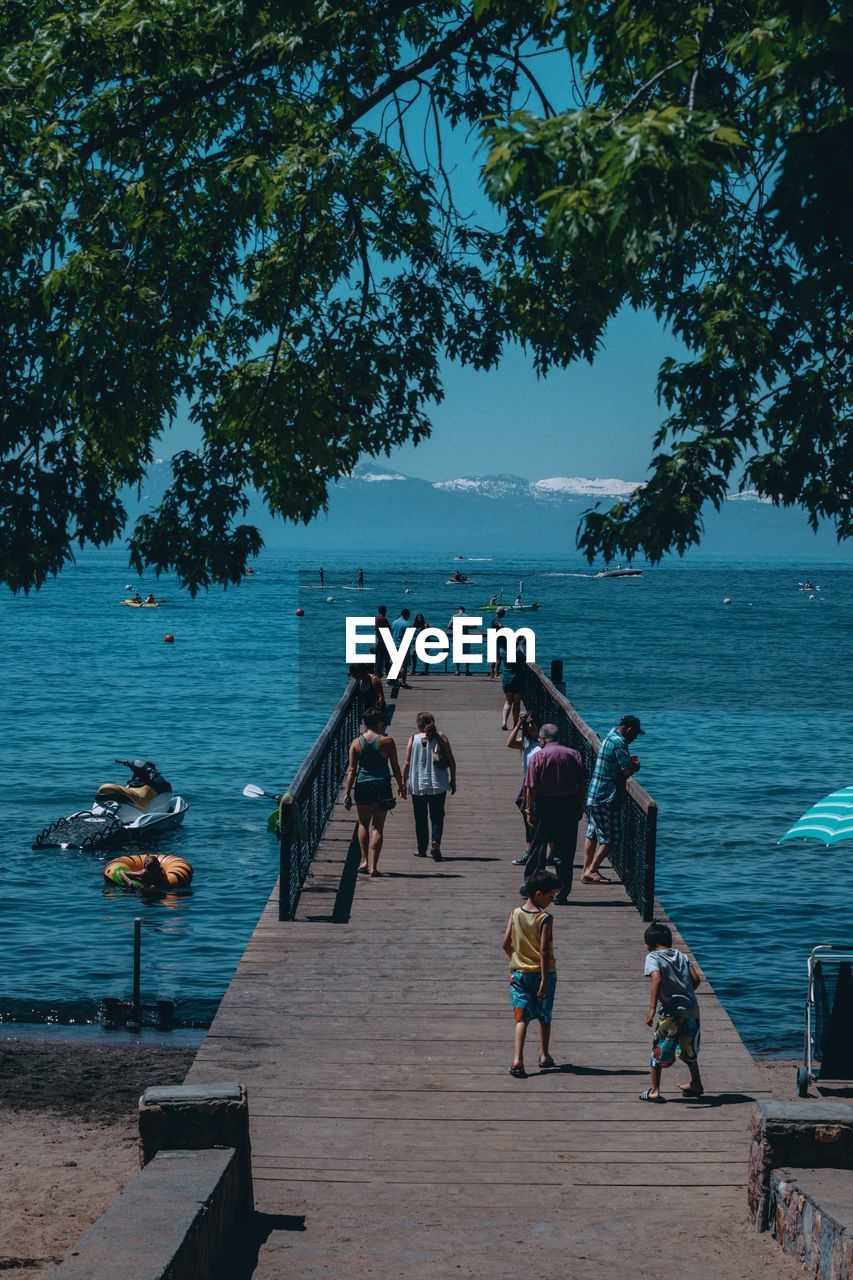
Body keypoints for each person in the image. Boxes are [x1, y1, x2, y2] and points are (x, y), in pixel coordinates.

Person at [502, 870, 561, 1078]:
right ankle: (544, 1054)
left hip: (519, 974)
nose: (552, 901)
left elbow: (505, 943)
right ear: (538, 893)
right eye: (550, 896)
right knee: (544, 1015)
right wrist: (544, 978)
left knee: (521, 1018)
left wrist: (515, 960)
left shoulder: (515, 912)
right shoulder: (544, 918)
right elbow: (544, 951)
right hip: (542, 973)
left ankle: (518, 1060)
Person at [641, 920, 703, 1103]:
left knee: (657, 1052)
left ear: (649, 945)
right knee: (689, 1050)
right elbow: (696, 980)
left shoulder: (653, 957)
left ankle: (654, 1090)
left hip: (670, 1013)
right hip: (691, 1010)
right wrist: (684, 993)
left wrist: (652, 1009)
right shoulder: (682, 955)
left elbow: (657, 979)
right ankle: (696, 1084)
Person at [523, 725, 586, 904]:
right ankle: (562, 892)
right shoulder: (574, 755)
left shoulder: (538, 756)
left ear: (542, 740)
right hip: (568, 806)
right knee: (565, 851)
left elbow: (532, 787)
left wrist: (529, 810)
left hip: (545, 806)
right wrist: (579, 807)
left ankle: (533, 886)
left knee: (538, 848)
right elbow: (582, 785)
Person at [343, 709, 405, 877]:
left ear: (365, 723)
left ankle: (364, 860)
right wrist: (401, 785)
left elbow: (352, 770)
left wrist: (347, 793)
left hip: (362, 785)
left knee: (363, 823)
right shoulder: (387, 741)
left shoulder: (356, 743)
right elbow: (395, 766)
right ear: (379, 723)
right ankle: (374, 867)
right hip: (381, 785)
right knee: (377, 826)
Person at [583, 714, 644, 884]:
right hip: (605, 797)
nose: (635, 738)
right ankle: (592, 870)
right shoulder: (619, 743)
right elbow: (626, 771)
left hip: (594, 793)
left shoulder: (609, 737)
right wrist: (636, 767)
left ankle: (585, 871)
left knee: (593, 833)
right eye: (635, 734)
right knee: (612, 838)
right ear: (629, 729)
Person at [403, 712, 456, 861]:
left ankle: (421, 849)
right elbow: (451, 760)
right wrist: (453, 779)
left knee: (420, 818)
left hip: (418, 785)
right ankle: (435, 843)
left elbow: (406, 763)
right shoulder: (441, 737)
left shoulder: (413, 739)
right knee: (437, 816)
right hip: (438, 784)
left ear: (418, 724)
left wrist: (402, 783)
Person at [507, 712, 541, 866]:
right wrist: (518, 725)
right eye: (528, 724)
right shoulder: (526, 741)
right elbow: (509, 743)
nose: (530, 726)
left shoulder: (544, 743)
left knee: (537, 819)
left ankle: (542, 853)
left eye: (533, 723)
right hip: (527, 783)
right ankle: (529, 852)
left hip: (540, 785)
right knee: (527, 816)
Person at [499, 629, 527, 729]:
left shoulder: (502, 650)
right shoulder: (518, 652)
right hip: (517, 678)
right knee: (516, 703)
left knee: (508, 702)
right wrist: (523, 643)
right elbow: (525, 656)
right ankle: (515, 725)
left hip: (506, 677)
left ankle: (504, 723)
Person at [390, 607, 412, 687]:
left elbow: (392, 633)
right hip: (403, 646)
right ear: (407, 615)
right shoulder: (407, 624)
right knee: (404, 665)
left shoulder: (394, 622)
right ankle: (403, 682)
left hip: (394, 645)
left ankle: (393, 681)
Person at [446, 606, 470, 675]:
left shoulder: (454, 616)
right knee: (467, 654)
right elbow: (473, 626)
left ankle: (457, 670)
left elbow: (449, 626)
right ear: (464, 610)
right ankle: (467, 670)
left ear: (458, 610)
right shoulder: (467, 617)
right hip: (466, 637)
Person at [373, 604, 392, 677]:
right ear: (383, 611)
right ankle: (384, 674)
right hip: (383, 641)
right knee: (385, 659)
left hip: (380, 641)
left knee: (379, 660)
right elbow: (386, 630)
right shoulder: (382, 619)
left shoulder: (377, 619)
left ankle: (379, 674)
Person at [489, 608, 506, 680]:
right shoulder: (497, 619)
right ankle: (496, 674)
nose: (504, 614)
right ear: (501, 613)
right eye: (504, 613)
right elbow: (500, 626)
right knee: (498, 657)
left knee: (493, 657)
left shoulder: (493, 618)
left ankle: (492, 673)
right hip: (498, 640)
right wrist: (503, 626)